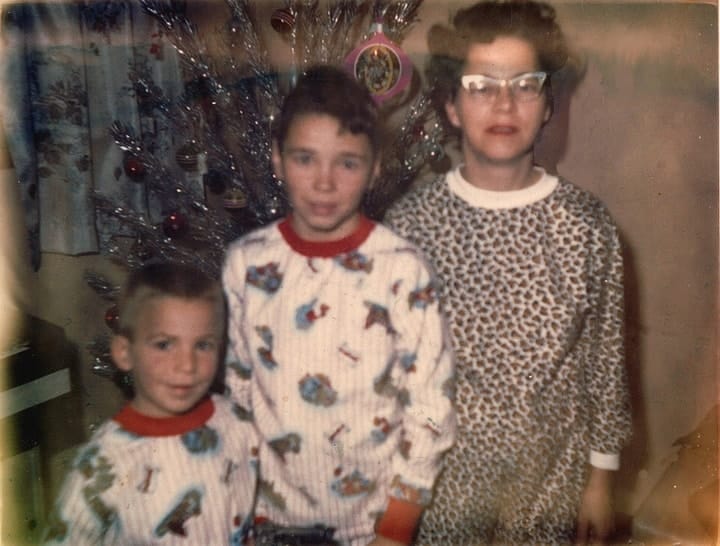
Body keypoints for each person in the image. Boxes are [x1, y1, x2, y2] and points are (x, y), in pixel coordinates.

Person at [384, 2, 632, 545]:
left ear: (547, 106)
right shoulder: (410, 225)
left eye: (525, 85)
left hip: (552, 478)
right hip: (442, 481)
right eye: (481, 86)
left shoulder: (586, 225)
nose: (504, 103)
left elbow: (605, 361)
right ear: (451, 106)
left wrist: (601, 480)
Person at [222, 65, 455, 546]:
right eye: (305, 159)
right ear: (277, 159)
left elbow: (430, 406)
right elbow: (238, 393)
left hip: (370, 526)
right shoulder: (246, 263)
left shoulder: (402, 269)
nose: (324, 183)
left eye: (347, 163)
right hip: (268, 522)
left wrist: (396, 525)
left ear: (374, 168)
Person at [42, 262, 259, 546]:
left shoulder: (238, 422)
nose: (187, 365)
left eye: (203, 345)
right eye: (164, 344)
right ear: (124, 352)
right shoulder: (104, 462)